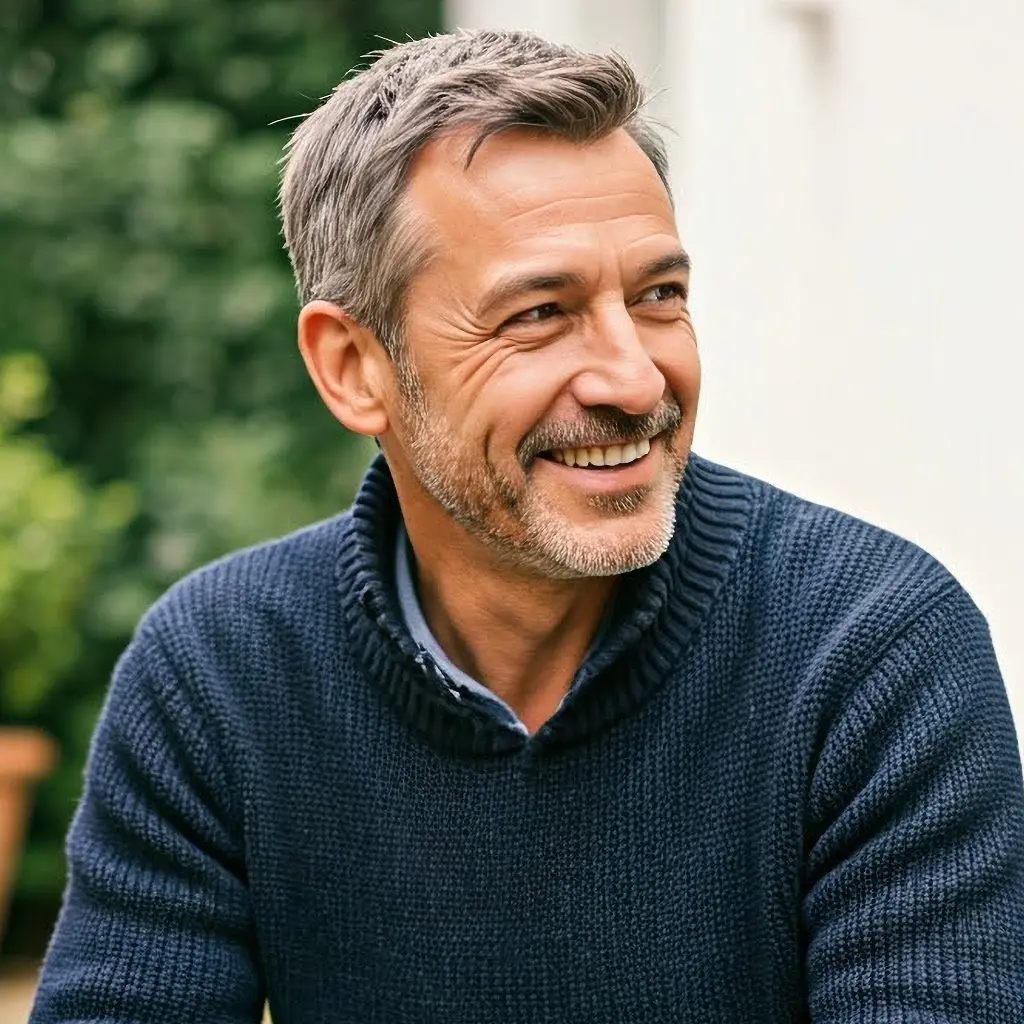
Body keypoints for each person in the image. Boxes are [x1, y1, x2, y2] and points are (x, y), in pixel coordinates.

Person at [30, 29, 1024, 1024]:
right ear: (350, 367)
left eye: (659, 296)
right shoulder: (219, 672)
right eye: (540, 313)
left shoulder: (873, 649)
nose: (634, 378)